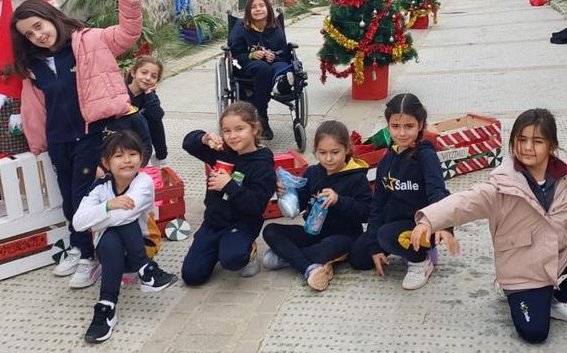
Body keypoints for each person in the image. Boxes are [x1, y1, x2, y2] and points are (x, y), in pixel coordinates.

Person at [410, 108, 567, 344]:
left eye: (537, 141)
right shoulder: (501, 186)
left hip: (558, 256)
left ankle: (560, 300)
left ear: (551, 146)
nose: (527, 147)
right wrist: (428, 220)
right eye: (521, 139)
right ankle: (513, 290)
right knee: (535, 333)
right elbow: (464, 202)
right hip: (522, 271)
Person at [11, 0, 142, 289]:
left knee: (81, 197)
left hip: (90, 134)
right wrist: (37, 144)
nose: (38, 35)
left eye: (39, 26)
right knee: (69, 200)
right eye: (29, 34)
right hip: (59, 141)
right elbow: (36, 109)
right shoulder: (34, 67)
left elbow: (128, 34)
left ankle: (87, 257)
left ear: (51, 18)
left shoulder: (89, 41)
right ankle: (78, 247)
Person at [73, 130, 177, 343]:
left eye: (132, 154)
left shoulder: (143, 182)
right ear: (106, 162)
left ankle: (138, 272)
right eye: (119, 156)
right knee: (111, 237)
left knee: (121, 223)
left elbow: (126, 215)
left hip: (144, 245)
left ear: (142, 157)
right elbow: (77, 223)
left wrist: (97, 217)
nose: (127, 160)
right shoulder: (100, 188)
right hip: (111, 255)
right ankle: (108, 305)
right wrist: (108, 205)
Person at [348, 93, 457, 290]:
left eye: (409, 126)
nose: (402, 133)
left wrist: (443, 225)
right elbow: (378, 204)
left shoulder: (426, 156)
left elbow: (438, 192)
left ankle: (421, 260)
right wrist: (373, 247)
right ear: (387, 125)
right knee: (359, 257)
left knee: (386, 235)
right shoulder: (386, 160)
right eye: (396, 127)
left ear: (421, 124)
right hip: (395, 224)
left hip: (422, 225)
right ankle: (400, 246)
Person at [262, 120, 372, 291]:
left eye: (335, 152)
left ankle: (292, 258)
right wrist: (287, 194)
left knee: (323, 250)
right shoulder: (313, 172)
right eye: (322, 152)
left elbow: (366, 213)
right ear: (315, 152)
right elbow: (300, 203)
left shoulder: (357, 177)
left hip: (344, 235)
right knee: (270, 230)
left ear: (347, 150)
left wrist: (339, 200)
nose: (328, 158)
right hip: (312, 231)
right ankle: (310, 267)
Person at [180, 101, 276, 285]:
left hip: (242, 223)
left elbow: (256, 206)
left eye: (239, 129)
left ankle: (248, 250)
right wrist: (205, 138)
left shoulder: (262, 164)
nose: (232, 136)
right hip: (213, 222)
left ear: (254, 129)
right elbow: (188, 143)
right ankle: (218, 245)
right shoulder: (222, 151)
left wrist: (229, 186)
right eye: (227, 130)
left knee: (232, 260)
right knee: (192, 276)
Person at [228, 0, 292, 141]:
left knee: (285, 66)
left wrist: (273, 55)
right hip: (246, 65)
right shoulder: (241, 28)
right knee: (264, 68)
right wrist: (251, 55)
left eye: (261, 6)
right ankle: (262, 114)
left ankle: (282, 83)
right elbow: (234, 55)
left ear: (268, 8)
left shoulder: (275, 28)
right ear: (248, 11)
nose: (258, 9)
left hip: (273, 64)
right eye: (253, 7)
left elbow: (284, 53)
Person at [127, 56, 168, 167]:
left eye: (153, 76)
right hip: (121, 141)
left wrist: (149, 93)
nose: (148, 78)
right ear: (133, 73)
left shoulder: (150, 98)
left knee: (153, 117)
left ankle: (160, 155)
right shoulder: (121, 93)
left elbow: (157, 116)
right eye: (144, 73)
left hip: (142, 144)